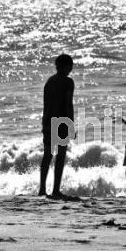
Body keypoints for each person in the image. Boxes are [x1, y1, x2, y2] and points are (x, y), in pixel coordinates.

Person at [38, 54, 78, 200]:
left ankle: (42, 189)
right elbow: (68, 104)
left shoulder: (50, 81)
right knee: (60, 156)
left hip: (48, 120)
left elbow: (46, 104)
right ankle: (55, 189)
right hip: (61, 122)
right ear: (67, 66)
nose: (71, 68)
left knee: (47, 155)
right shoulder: (68, 82)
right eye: (71, 65)